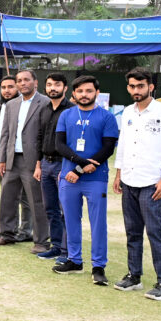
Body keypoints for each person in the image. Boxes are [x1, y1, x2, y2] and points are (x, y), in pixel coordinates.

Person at [113, 68, 161, 301]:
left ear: (151, 86)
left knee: (155, 232)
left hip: (153, 181)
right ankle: (134, 275)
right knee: (132, 232)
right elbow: (123, 145)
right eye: (132, 86)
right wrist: (118, 173)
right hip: (129, 179)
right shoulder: (127, 112)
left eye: (140, 86)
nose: (136, 90)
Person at [50, 75, 119, 284]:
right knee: (70, 219)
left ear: (96, 93)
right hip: (68, 178)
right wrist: (80, 163)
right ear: (74, 94)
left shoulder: (107, 117)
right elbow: (59, 145)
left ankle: (98, 266)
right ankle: (74, 260)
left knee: (98, 223)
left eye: (89, 91)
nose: (84, 95)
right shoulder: (66, 115)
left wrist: (79, 169)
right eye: (80, 91)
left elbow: (107, 148)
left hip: (95, 178)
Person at [0, 70, 49, 250]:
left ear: (35, 82)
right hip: (11, 159)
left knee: (36, 201)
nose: (23, 83)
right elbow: (5, 134)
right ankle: (7, 233)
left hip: (33, 160)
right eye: (19, 81)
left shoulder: (45, 103)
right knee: (7, 198)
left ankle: (41, 240)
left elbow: (46, 135)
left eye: (27, 80)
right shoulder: (11, 105)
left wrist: (40, 162)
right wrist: (2, 159)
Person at [33, 73, 72, 260]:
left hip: (63, 165)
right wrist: (38, 165)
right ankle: (56, 246)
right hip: (46, 164)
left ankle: (68, 251)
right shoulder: (44, 109)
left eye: (57, 84)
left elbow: (71, 142)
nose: (52, 88)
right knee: (51, 208)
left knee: (67, 209)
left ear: (65, 88)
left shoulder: (72, 110)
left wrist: (67, 167)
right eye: (49, 85)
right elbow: (40, 138)